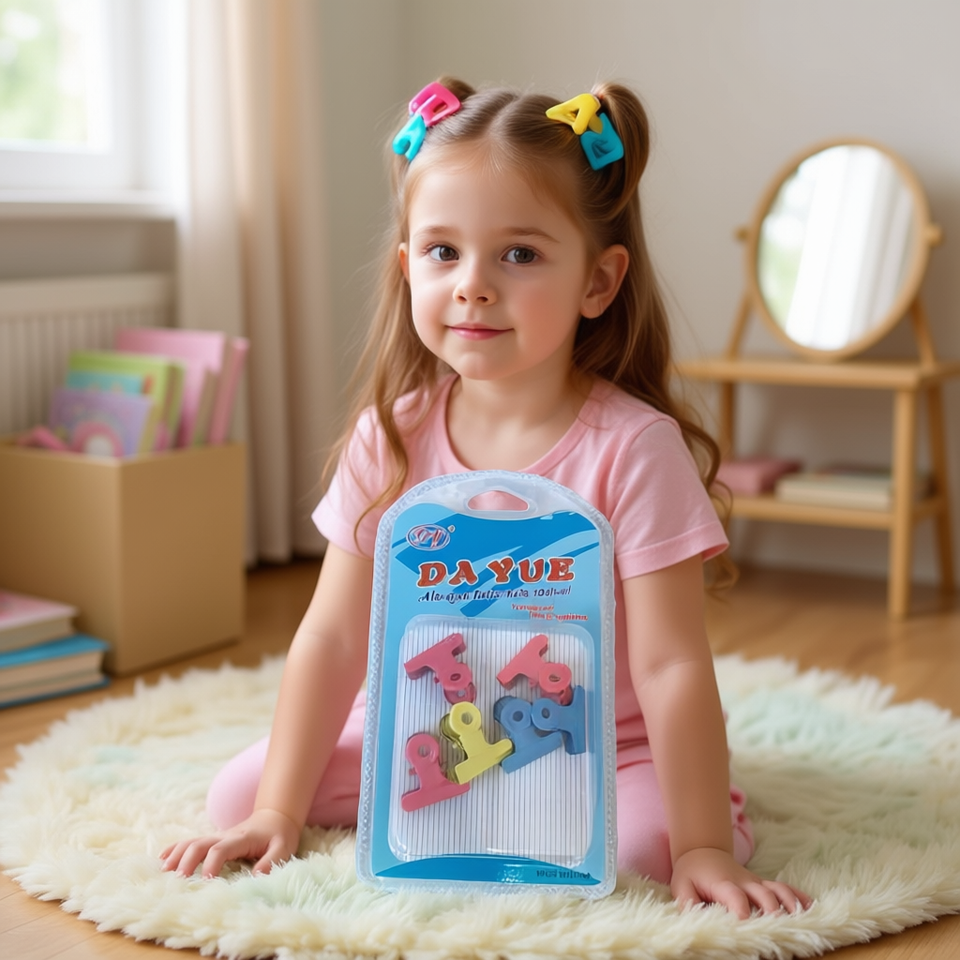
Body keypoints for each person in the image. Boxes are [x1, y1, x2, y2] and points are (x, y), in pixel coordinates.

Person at [161, 78, 812, 918]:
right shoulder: (388, 438)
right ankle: (434, 796)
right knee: (241, 794)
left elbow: (670, 664)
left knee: (642, 852)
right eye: (443, 252)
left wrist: (702, 847)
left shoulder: (634, 450)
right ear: (407, 266)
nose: (472, 284)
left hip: (600, 744)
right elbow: (332, 637)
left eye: (520, 255)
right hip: (429, 728)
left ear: (598, 282)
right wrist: (275, 813)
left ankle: (696, 808)